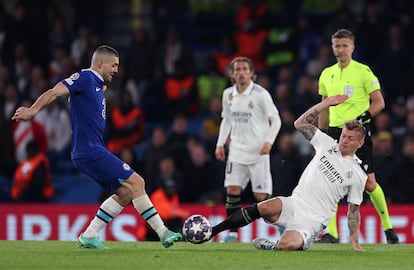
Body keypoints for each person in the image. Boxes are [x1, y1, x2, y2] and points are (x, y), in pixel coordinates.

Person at [11, 45, 182, 249]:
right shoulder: (84, 78)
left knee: (125, 193)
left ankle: (89, 235)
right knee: (137, 182)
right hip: (89, 150)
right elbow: (54, 91)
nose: (117, 70)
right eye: (114, 65)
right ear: (101, 63)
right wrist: (32, 111)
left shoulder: (96, 84)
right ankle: (163, 233)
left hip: (91, 150)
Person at [206, 95, 367, 251]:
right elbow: (300, 123)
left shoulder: (358, 175)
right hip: (294, 203)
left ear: (360, 143)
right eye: (344, 135)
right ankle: (211, 232)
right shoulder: (326, 144)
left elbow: (353, 211)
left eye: (350, 139)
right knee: (264, 207)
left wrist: (355, 242)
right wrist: (326, 104)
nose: (345, 140)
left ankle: (280, 244)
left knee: (287, 245)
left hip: (313, 219)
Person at [317, 29, 399, 244]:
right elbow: (324, 108)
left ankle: (389, 229)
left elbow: (379, 102)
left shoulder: (363, 72)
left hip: (357, 132)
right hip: (334, 132)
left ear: (352, 47)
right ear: (332, 47)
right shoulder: (326, 74)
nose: (340, 49)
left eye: (344, 45)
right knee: (329, 182)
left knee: (369, 183)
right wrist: (321, 135)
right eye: (337, 45)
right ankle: (331, 233)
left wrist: (365, 116)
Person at [215, 56, 281, 242]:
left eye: (245, 69)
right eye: (238, 69)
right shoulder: (228, 94)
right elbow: (227, 120)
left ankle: (281, 228)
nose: (241, 72)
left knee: (261, 197)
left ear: (252, 73)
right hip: (236, 152)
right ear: (232, 74)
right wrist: (220, 143)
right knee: (232, 190)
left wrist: (268, 142)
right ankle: (232, 234)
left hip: (258, 153)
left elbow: (276, 120)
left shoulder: (260, 94)